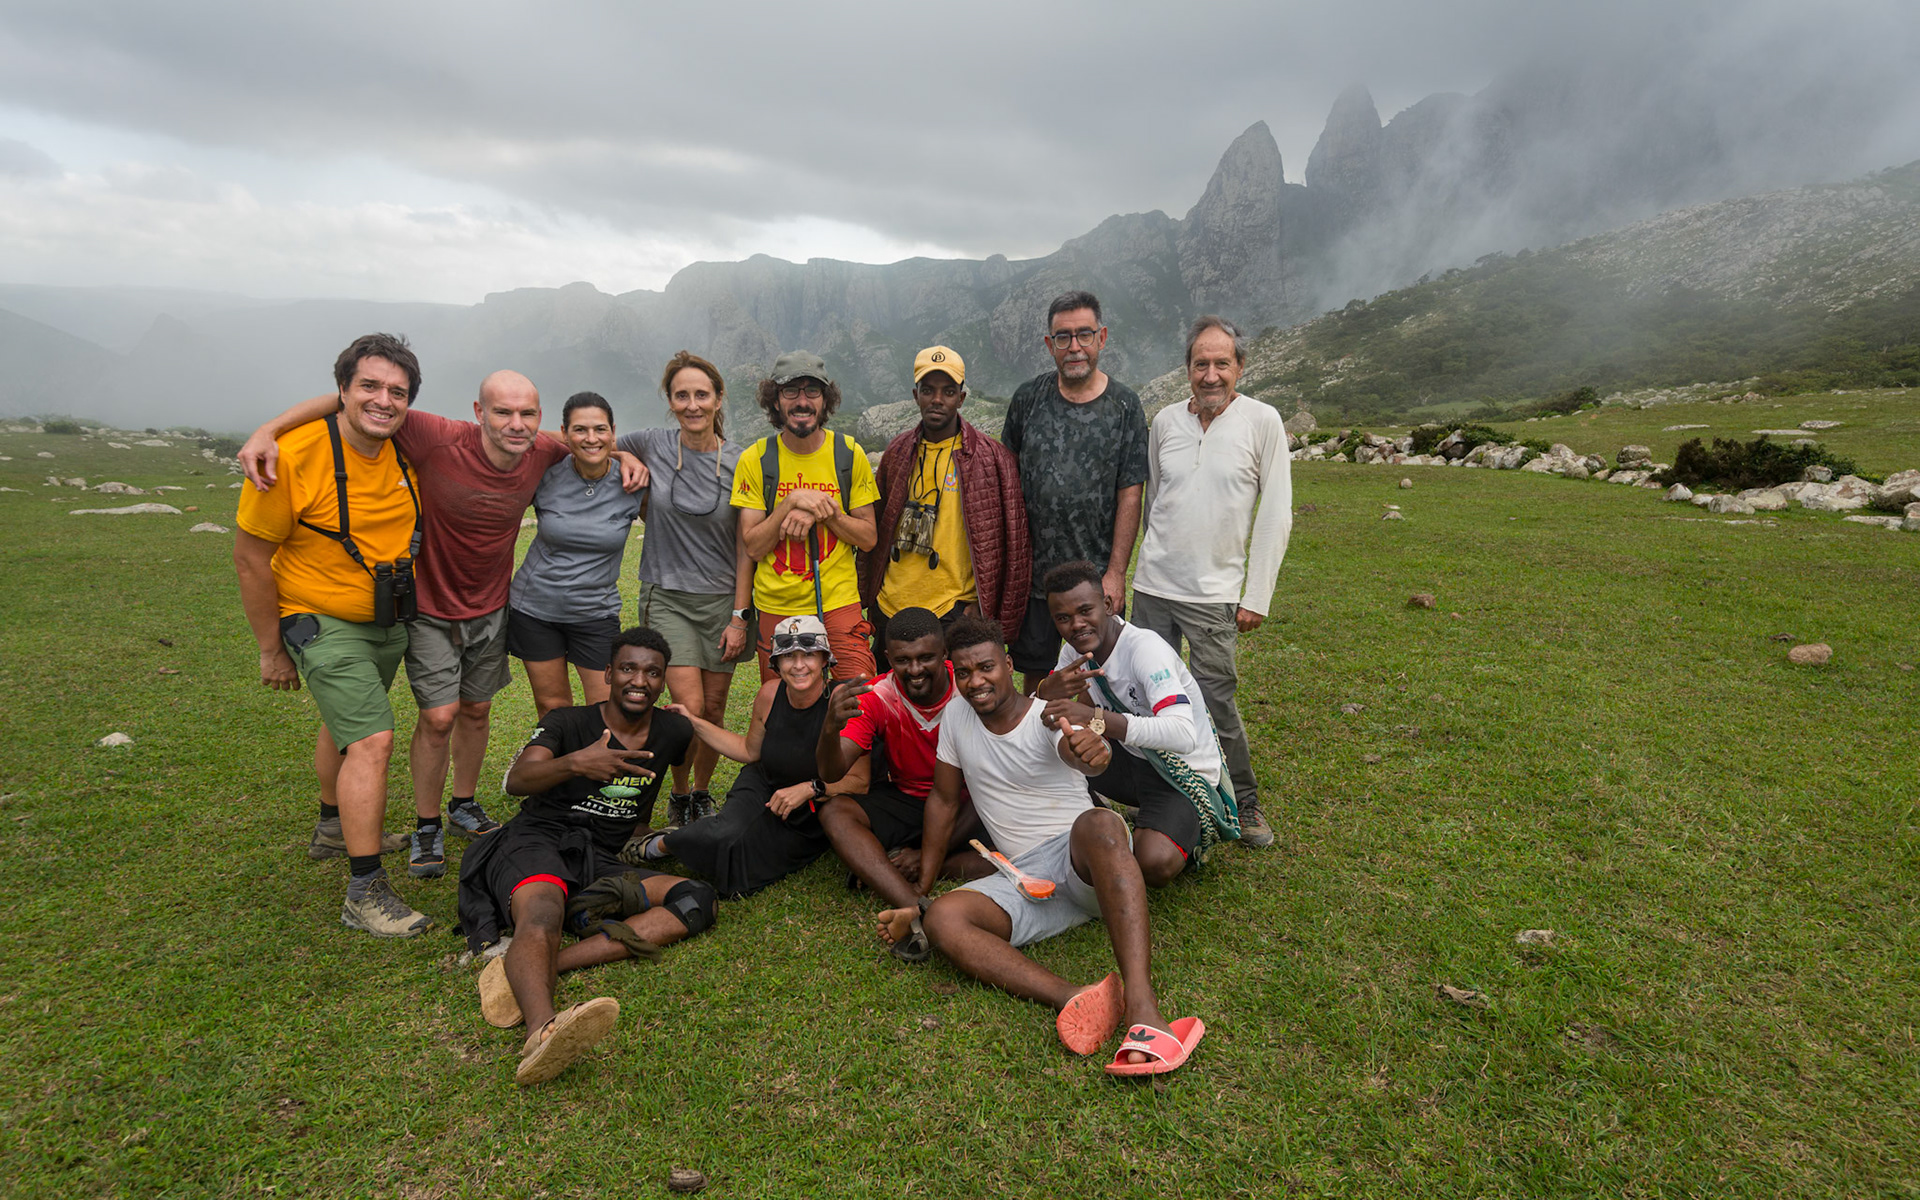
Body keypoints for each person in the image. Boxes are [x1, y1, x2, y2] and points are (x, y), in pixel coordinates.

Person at [240, 372, 646, 881]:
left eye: (526, 414)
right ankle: (426, 823)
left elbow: (593, 444)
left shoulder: (545, 449)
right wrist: (268, 430)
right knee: (438, 717)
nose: (515, 424)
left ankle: (463, 805)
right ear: (479, 411)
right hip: (429, 605)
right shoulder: (435, 436)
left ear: (542, 422)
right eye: (502, 412)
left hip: (493, 606)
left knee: (476, 710)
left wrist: (624, 457)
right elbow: (359, 404)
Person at [876, 618, 1207, 1076]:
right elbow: (945, 800)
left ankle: (1142, 1005)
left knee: (1098, 822)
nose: (977, 682)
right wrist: (922, 892)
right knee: (944, 920)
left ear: (1008, 665)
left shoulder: (1046, 714)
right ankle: (1074, 997)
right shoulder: (956, 716)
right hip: (1023, 880)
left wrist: (1094, 751)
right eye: (965, 672)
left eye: (987, 668)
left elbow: (1078, 750)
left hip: (1084, 862)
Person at [231, 332, 431, 937]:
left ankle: (330, 824)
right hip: (319, 620)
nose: (382, 400)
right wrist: (271, 649)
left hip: (388, 618)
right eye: (368, 386)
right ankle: (364, 892)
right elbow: (248, 558)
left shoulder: (406, 445)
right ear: (341, 389)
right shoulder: (289, 456)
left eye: (397, 392)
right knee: (372, 740)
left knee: (344, 727)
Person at [458, 627, 717, 1086]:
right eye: (629, 669)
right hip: (537, 839)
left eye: (653, 672)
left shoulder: (674, 730)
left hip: (598, 856)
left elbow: (662, 779)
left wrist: (642, 834)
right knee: (542, 910)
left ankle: (539, 964)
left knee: (696, 899)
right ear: (609, 674)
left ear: (663, 682)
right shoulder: (567, 721)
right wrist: (578, 763)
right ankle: (543, 1031)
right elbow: (518, 780)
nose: (640, 680)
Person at [1132, 316, 1292, 847]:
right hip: (1153, 586)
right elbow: (1155, 501)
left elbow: (1278, 512)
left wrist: (1257, 595)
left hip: (1214, 594)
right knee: (1143, 697)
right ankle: (1161, 794)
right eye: (1201, 363)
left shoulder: (1262, 421)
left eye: (1222, 363)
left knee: (1213, 698)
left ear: (1240, 367)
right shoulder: (1165, 423)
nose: (1210, 374)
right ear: (1187, 370)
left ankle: (1243, 803)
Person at [624, 615, 868, 897]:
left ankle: (690, 845)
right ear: (776, 664)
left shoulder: (845, 702)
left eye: (809, 655)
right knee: (724, 834)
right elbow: (748, 751)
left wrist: (809, 789)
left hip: (810, 806)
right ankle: (655, 846)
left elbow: (859, 781)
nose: (799, 665)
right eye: (788, 656)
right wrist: (694, 721)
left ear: (825, 659)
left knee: (747, 865)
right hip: (763, 783)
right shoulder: (768, 694)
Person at [1036, 561, 1242, 883]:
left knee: (1153, 863)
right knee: (1056, 750)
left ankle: (1180, 824)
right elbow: (1062, 711)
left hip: (1180, 771)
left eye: (1085, 611)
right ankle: (1101, 822)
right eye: (1063, 618)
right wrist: (1046, 692)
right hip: (1133, 761)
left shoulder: (1145, 650)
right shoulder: (1074, 653)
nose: (1076, 625)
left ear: (1106, 605)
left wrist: (1094, 719)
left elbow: (1182, 734)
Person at [617, 352, 752, 827]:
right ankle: (676, 792)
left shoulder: (741, 461)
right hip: (668, 596)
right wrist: (622, 453)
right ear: (670, 402)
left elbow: (745, 550)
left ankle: (699, 793)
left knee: (713, 708)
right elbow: (585, 440)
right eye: (682, 395)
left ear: (718, 399)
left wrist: (740, 616)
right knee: (686, 707)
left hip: (721, 602)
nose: (692, 404)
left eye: (701, 394)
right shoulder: (651, 442)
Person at [814, 606, 990, 959]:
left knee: (1010, 852)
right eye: (903, 660)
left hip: (973, 804)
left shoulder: (970, 687)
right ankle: (916, 906)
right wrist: (830, 728)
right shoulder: (877, 695)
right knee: (835, 812)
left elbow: (992, 785)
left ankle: (906, 864)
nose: (915, 670)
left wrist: (924, 854)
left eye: (926, 658)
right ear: (887, 657)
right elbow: (832, 774)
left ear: (944, 654)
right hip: (911, 800)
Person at [1000, 291, 1150, 691]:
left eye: (1084, 334)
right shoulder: (1028, 399)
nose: (1075, 346)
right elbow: (1007, 480)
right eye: (1063, 337)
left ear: (1102, 338)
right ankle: (1035, 751)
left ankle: (1096, 750)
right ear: (1050, 346)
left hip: (1094, 580)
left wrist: (1116, 574)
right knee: (1036, 678)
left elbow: (1130, 494)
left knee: (1102, 678)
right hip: (1035, 580)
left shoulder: (1125, 406)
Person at [862, 345, 1029, 649]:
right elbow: (875, 525)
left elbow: (1013, 545)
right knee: (888, 695)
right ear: (916, 396)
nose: (937, 400)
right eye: (928, 390)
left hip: (953, 612)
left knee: (953, 695)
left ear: (961, 397)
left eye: (948, 391)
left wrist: (985, 609)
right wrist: (870, 599)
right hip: (891, 606)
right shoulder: (897, 453)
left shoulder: (990, 458)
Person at [731, 351, 879, 681]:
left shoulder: (848, 454)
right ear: (775, 401)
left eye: (812, 391)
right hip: (777, 605)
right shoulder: (756, 460)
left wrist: (829, 514)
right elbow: (753, 547)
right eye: (791, 392)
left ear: (826, 400)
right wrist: (790, 502)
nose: (802, 401)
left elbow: (868, 538)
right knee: (782, 705)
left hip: (839, 603)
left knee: (855, 698)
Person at [506, 392, 644, 719]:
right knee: (553, 708)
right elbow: (526, 435)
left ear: (613, 431)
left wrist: (623, 455)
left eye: (600, 430)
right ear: (564, 433)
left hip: (596, 612)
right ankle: (559, 769)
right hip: (535, 608)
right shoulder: (547, 473)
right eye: (580, 430)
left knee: (604, 710)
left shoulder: (634, 481)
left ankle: (592, 770)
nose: (591, 438)